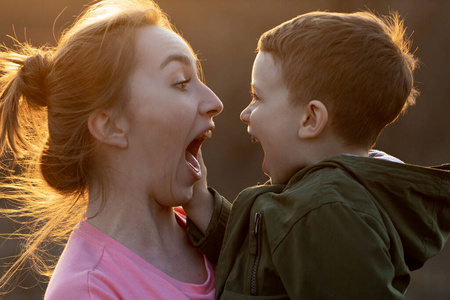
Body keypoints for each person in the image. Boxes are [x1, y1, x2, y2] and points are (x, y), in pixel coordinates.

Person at [184, 11, 450, 299]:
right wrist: (200, 203)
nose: (245, 113)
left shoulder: (324, 209)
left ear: (310, 119)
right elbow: (260, 260)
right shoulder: (326, 203)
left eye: (258, 97)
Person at [0, 0, 223, 299]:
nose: (214, 103)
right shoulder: (88, 290)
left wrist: (219, 227)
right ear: (111, 126)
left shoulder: (216, 233)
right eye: (181, 82)